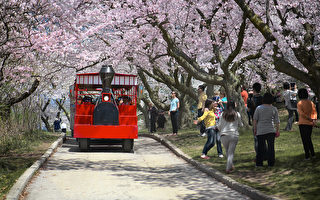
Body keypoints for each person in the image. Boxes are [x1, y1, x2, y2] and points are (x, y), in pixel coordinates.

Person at [253, 93, 280, 167]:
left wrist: (255, 129)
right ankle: (271, 163)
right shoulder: (274, 108)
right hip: (271, 130)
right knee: (271, 148)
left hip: (260, 130)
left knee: (260, 148)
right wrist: (277, 131)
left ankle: (259, 163)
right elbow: (277, 121)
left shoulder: (258, 108)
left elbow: (255, 120)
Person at [217, 101, 243, 173]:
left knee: (228, 152)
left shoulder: (222, 114)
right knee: (231, 152)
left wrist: (219, 129)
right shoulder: (237, 114)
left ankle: (231, 166)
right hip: (233, 134)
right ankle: (228, 168)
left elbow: (219, 125)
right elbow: (241, 124)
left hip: (224, 135)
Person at [297, 88, 317, 160]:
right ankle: (313, 154)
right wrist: (313, 120)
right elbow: (314, 112)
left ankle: (307, 155)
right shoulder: (311, 102)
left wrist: (308, 118)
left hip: (302, 123)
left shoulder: (299, 103)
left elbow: (301, 114)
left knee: (304, 140)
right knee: (308, 139)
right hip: (310, 124)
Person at [249, 82, 263, 158]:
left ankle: (258, 156)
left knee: (256, 139)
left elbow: (248, 109)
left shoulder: (251, 99)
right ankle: (264, 154)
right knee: (263, 138)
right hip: (263, 119)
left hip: (254, 120)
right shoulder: (263, 98)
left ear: (253, 89)